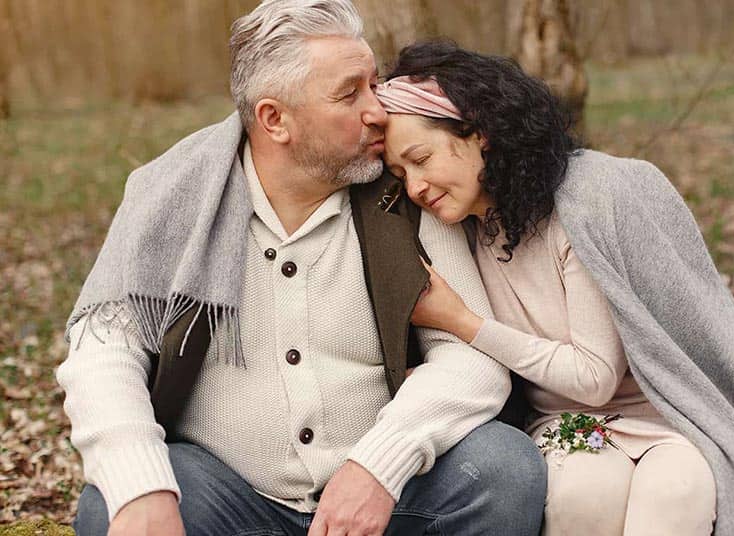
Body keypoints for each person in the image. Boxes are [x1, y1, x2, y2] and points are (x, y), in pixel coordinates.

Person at [56, 4, 548, 536]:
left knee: (503, 469)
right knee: (112, 508)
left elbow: (472, 360)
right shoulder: (168, 196)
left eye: (373, 83)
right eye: (348, 93)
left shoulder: (407, 192)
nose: (378, 111)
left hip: (388, 497)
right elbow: (100, 353)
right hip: (228, 496)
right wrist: (141, 483)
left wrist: (378, 466)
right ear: (274, 119)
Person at [376, 41, 734, 536]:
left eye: (422, 159)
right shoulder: (452, 230)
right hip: (564, 423)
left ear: (481, 134)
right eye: (401, 174)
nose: (415, 187)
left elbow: (595, 376)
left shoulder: (584, 204)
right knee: (582, 496)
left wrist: (463, 322)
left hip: (669, 415)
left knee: (675, 494)